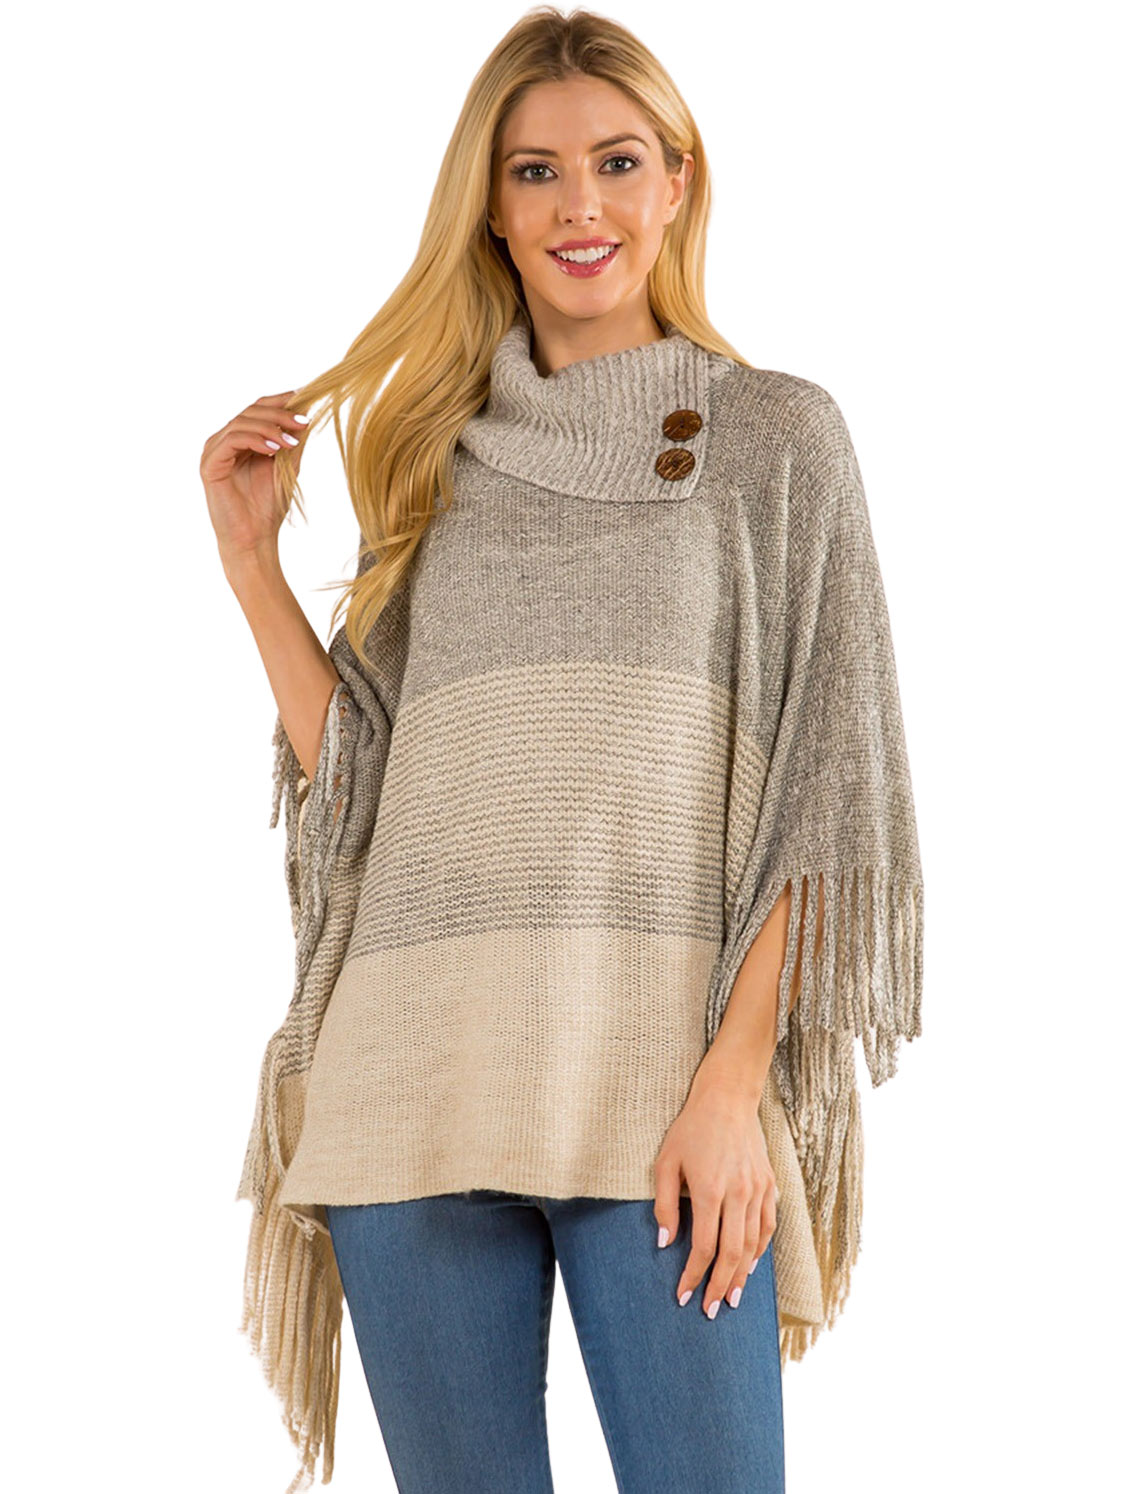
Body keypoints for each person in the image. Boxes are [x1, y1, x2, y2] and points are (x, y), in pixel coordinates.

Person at [200, 9, 924, 1493]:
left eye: (616, 162)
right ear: (489, 203)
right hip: (414, 1075)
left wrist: (732, 1086)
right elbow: (369, 791)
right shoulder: (436, 457)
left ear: (677, 181)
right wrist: (253, 567)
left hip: (659, 1086)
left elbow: (826, 789)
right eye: (534, 171)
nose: (577, 205)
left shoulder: (776, 441)